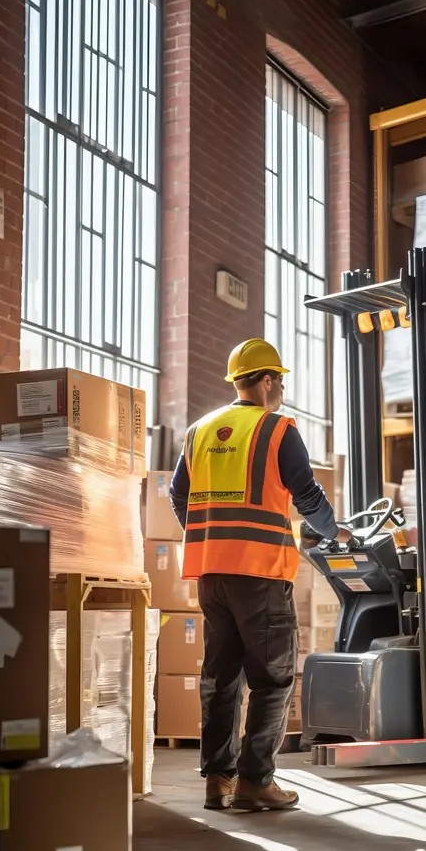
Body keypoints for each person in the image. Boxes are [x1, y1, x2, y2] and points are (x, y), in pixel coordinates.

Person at [169, 338, 350, 812]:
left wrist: (209, 535)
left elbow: (178, 496)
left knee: (221, 677)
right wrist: (336, 533)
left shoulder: (199, 430)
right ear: (267, 380)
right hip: (261, 574)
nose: (283, 388)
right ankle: (256, 780)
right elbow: (307, 495)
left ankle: (218, 780)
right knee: (272, 678)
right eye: (281, 380)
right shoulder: (276, 429)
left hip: (212, 574)